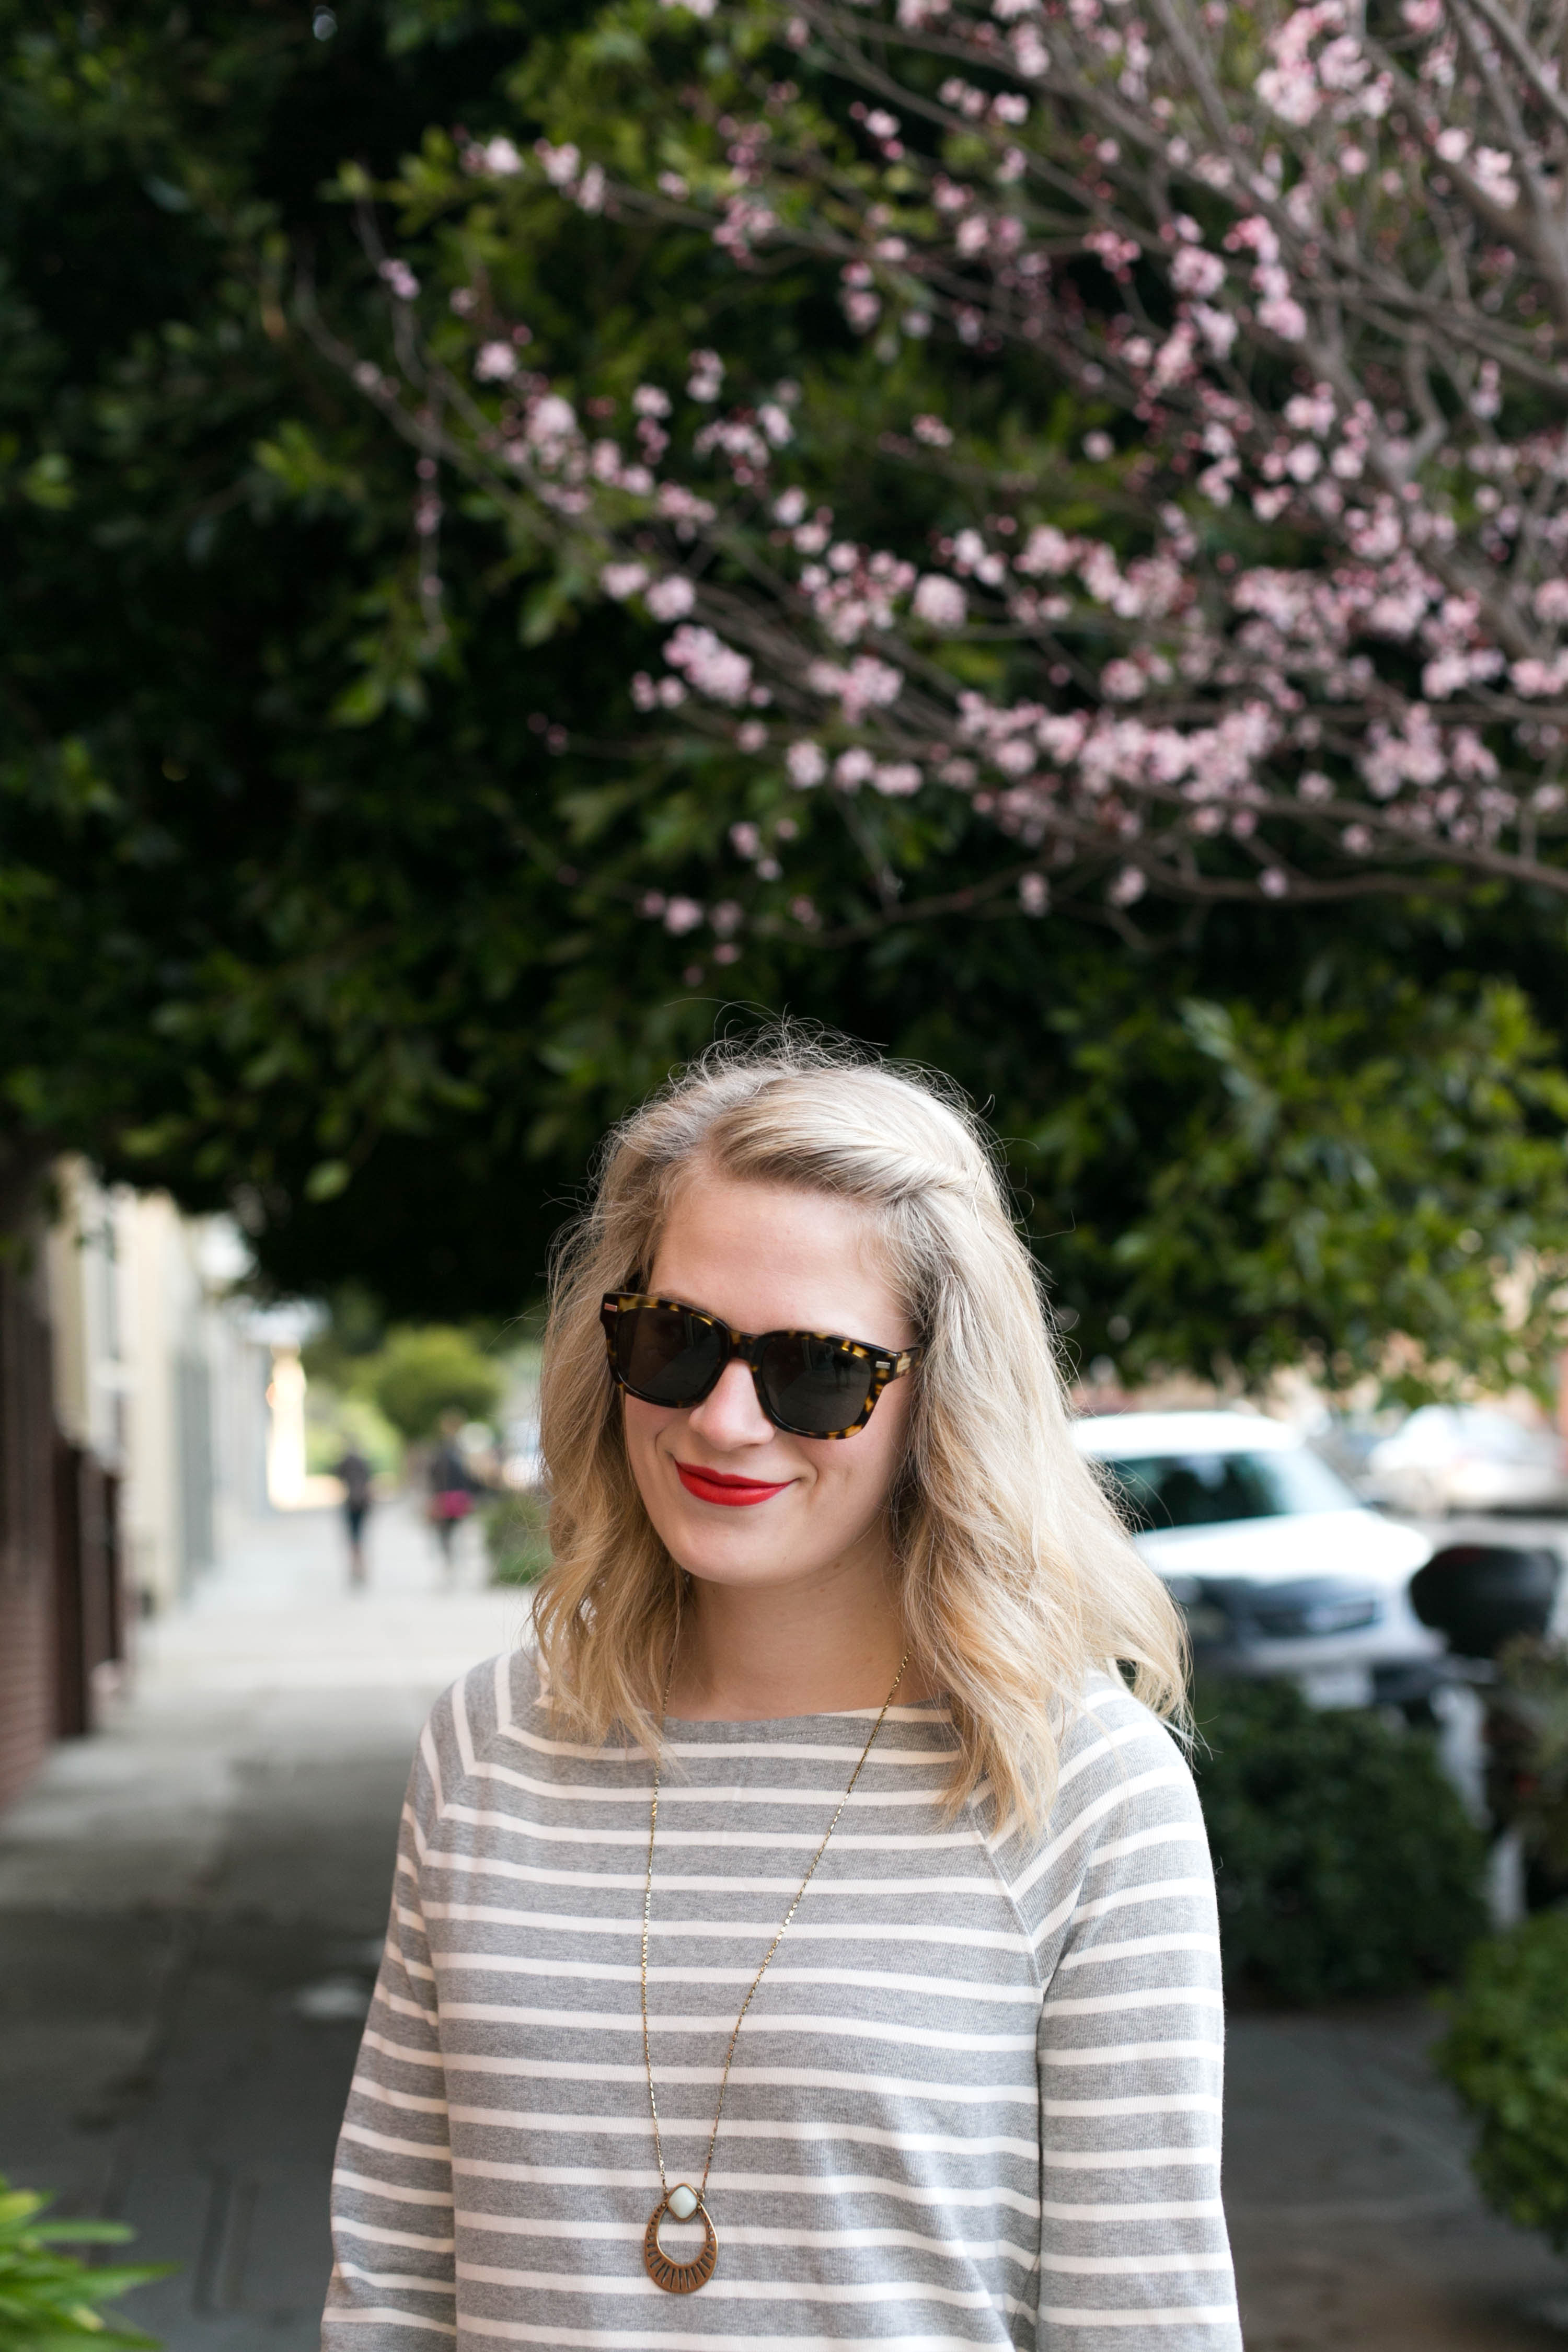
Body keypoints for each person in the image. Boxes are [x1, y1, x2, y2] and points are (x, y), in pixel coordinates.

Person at [324, 1034, 1241, 2350]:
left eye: (815, 1367)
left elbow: (1140, 2324)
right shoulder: (488, 1742)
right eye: (677, 1340)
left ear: (941, 1398)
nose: (724, 1419)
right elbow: (392, 2284)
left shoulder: (1084, 1787)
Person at [425, 1409, 475, 1572]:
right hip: (456, 1498)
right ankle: (455, 1560)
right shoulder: (459, 1457)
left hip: (443, 1498)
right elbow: (466, 1479)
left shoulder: (438, 1458)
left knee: (445, 1532)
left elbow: (432, 1479)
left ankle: (450, 1561)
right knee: (457, 1530)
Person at [333, 1444, 373, 1586]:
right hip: (362, 1504)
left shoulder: (345, 1464)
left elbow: (339, 1478)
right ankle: (359, 1567)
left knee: (354, 1537)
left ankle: (356, 1567)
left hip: (352, 1503)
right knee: (360, 1537)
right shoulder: (364, 1463)